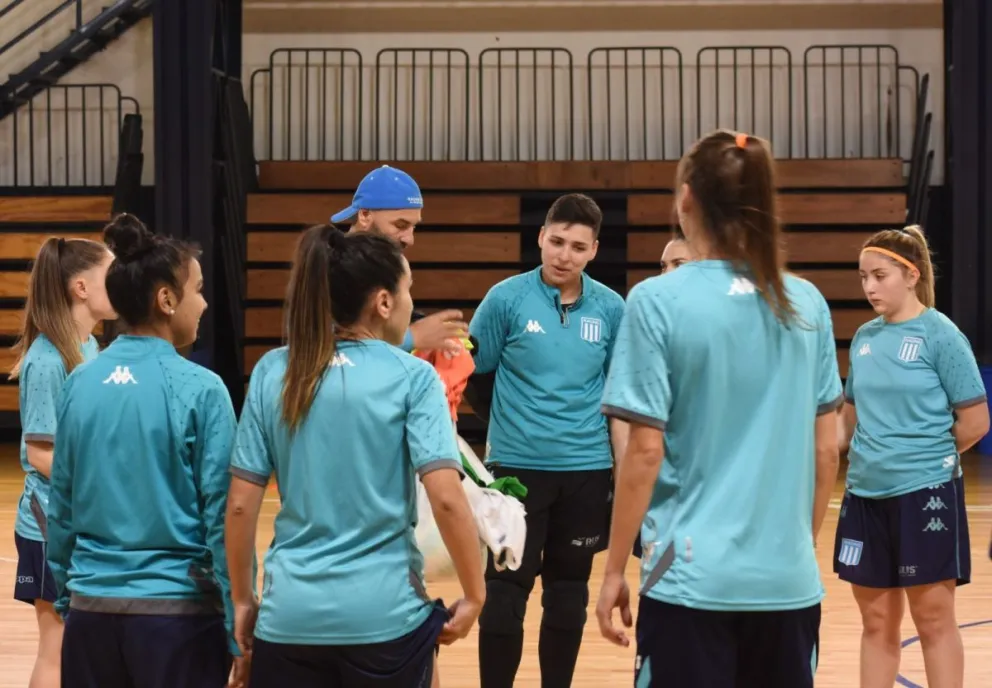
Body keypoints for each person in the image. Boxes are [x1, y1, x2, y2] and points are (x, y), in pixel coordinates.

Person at [596, 130, 842, 688]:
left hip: (688, 579)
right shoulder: (807, 303)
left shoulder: (658, 300)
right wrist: (795, 549)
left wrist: (613, 570)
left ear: (686, 198)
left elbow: (644, 450)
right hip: (788, 582)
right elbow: (827, 448)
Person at [224, 225, 485, 688]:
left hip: (290, 618)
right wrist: (475, 592)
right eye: (409, 290)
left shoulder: (274, 371)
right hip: (386, 618)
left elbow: (242, 504)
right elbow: (446, 498)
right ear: (384, 302)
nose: (410, 302)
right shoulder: (412, 377)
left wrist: (243, 602)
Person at [45, 214, 243, 688]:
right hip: (177, 619)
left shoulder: (80, 382)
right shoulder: (202, 389)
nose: (205, 303)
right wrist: (239, 625)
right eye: (197, 289)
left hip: (92, 612)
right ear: (166, 299)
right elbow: (224, 516)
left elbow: (62, 507)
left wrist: (68, 598)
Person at [469, 193, 628, 688]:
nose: (564, 255)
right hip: (515, 472)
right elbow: (475, 375)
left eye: (578, 247)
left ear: (594, 251)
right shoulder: (506, 298)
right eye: (557, 241)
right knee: (504, 593)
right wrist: (517, 426)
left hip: (586, 473)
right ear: (541, 237)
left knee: (568, 593)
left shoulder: (611, 308)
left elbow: (619, 393)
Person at [835, 225, 989, 688]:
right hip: (864, 496)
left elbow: (976, 421)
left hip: (926, 496)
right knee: (877, 623)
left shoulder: (941, 335)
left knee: (934, 621)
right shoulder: (863, 337)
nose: (869, 287)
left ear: (911, 275)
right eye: (863, 276)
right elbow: (848, 419)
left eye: (880, 275)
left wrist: (928, 461)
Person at [8, 236, 116, 688]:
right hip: (49, 525)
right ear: (81, 288)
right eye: (111, 275)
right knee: (56, 646)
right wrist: (101, 482)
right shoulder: (47, 361)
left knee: (82, 646)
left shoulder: (88, 346)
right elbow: (39, 453)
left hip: (81, 519)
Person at [331, 163, 467, 355]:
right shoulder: (328, 268)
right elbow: (319, 350)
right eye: (400, 225)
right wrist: (413, 338)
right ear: (365, 214)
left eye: (413, 227)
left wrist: (432, 339)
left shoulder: (384, 268)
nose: (409, 239)